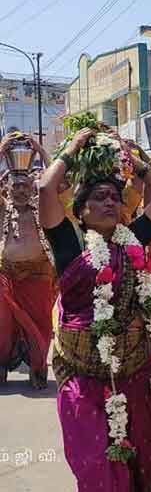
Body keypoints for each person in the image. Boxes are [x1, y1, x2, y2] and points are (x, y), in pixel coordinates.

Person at [39, 127, 151, 491]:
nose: (110, 203)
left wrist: (137, 164)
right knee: (96, 462)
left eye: (116, 197)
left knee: (140, 458)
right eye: (100, 197)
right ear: (81, 210)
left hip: (133, 368)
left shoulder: (133, 238)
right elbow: (44, 190)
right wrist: (71, 149)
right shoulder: (69, 244)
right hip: (82, 373)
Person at [0, 135, 56, 389]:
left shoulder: (42, 207)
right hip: (7, 277)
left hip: (39, 276)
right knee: (2, 326)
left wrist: (42, 151)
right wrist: (2, 152)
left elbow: (57, 182)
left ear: (32, 188)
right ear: (7, 189)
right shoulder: (3, 209)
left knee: (42, 326)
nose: (21, 191)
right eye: (16, 187)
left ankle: (37, 367)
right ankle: (2, 365)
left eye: (25, 186)